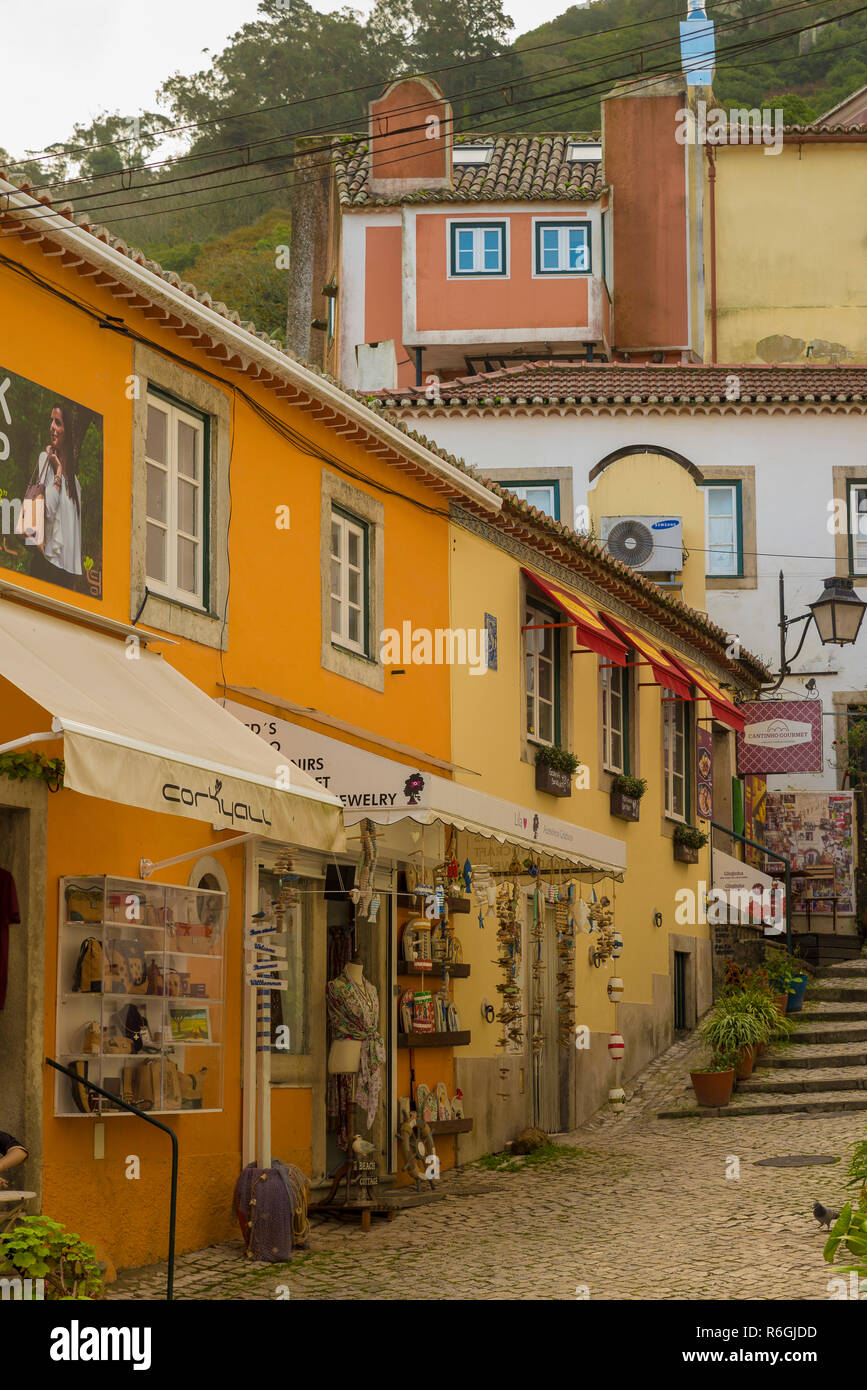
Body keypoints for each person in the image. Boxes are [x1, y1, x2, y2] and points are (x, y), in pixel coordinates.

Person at [31, 403, 82, 583]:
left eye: (58, 422)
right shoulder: (45, 460)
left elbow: (75, 540)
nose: (51, 426)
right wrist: (58, 471)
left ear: (67, 431)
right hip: (45, 566)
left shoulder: (76, 485)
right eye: (51, 421)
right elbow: (49, 511)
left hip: (66, 576)